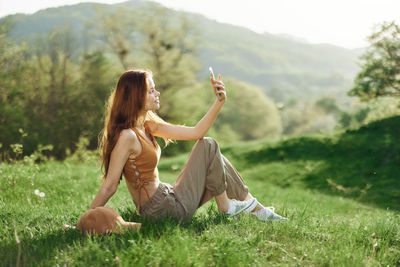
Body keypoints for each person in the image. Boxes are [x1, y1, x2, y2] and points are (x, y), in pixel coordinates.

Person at [82, 69, 286, 234]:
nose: (157, 93)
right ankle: (227, 209)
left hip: (169, 197)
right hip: (161, 210)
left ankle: (258, 210)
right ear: (136, 96)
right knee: (208, 145)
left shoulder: (147, 126)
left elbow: (196, 132)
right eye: (151, 90)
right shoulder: (127, 137)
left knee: (216, 159)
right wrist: (86, 219)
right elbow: (109, 186)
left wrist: (219, 102)